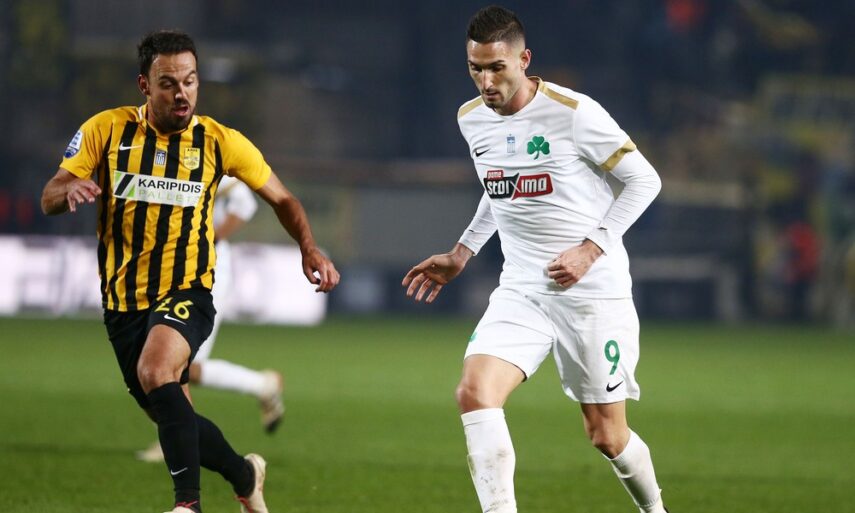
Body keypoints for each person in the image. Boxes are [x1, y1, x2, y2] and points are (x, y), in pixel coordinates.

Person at [41, 30, 339, 513]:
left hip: (188, 290)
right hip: (123, 303)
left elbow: (283, 198)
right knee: (173, 416)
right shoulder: (106, 131)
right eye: (168, 83)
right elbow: (50, 193)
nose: (182, 93)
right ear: (144, 85)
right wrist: (68, 191)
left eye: (190, 81)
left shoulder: (219, 141)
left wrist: (308, 247)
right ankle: (245, 475)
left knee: (156, 370)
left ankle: (187, 506)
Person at [403, 6, 668, 513]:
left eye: (496, 68)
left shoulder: (574, 112)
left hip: (591, 292)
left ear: (524, 61)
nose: (486, 82)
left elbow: (644, 181)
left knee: (606, 434)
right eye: (476, 69)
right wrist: (463, 251)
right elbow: (499, 188)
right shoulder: (470, 119)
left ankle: (655, 509)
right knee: (474, 393)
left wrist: (590, 249)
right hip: (522, 288)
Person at [136, 175, 285, 464]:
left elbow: (245, 204)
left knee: (176, 363)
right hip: (170, 268)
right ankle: (262, 385)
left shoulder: (205, 157)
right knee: (168, 361)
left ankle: (174, 439)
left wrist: (211, 239)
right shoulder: (162, 160)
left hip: (206, 271)